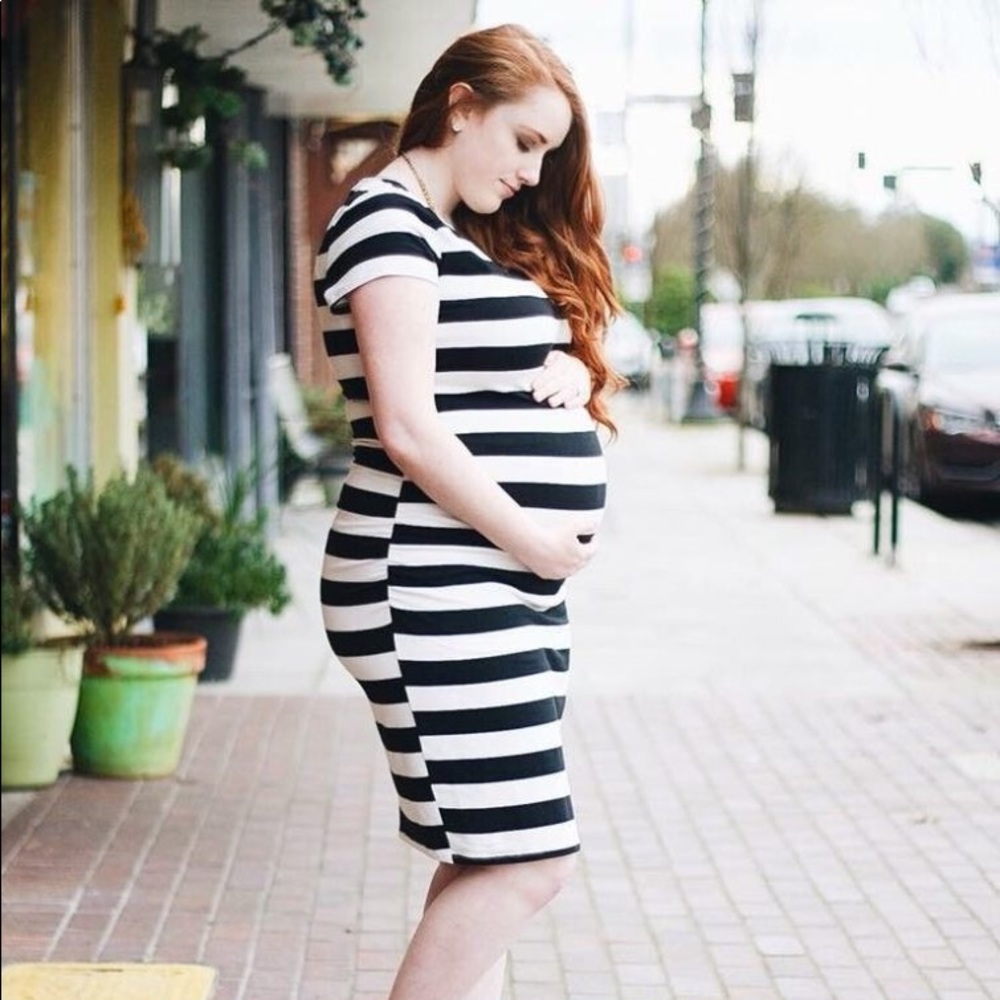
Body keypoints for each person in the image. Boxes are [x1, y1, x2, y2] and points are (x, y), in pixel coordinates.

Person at [313, 22, 622, 1000]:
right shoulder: (384, 221)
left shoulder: (446, 234)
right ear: (461, 107)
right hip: (428, 582)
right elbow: (405, 425)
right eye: (525, 141)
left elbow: (466, 365)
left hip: (483, 583)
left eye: (548, 153)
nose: (534, 173)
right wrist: (533, 536)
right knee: (530, 859)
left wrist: (568, 367)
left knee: (487, 852)